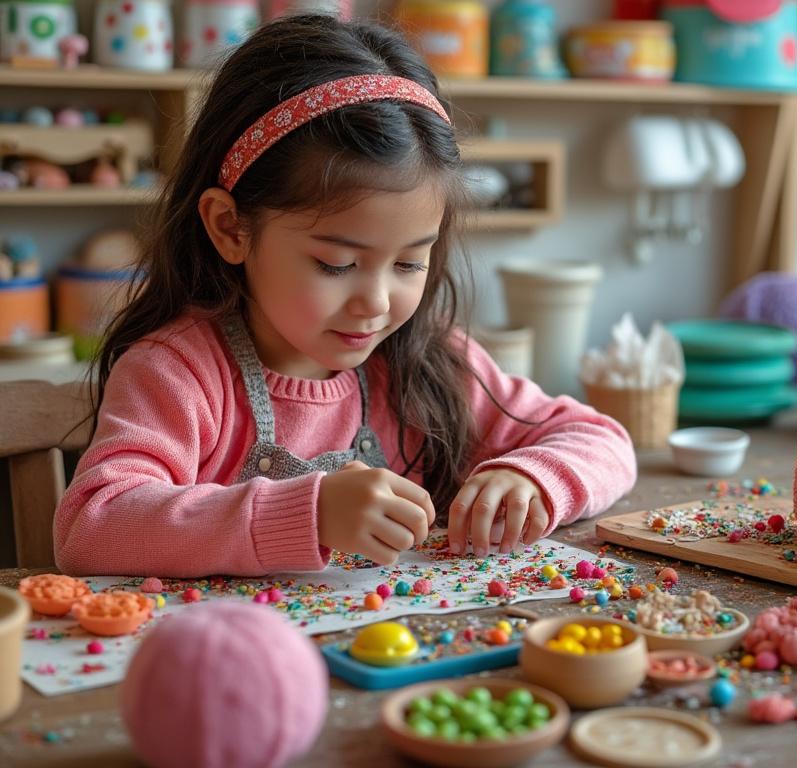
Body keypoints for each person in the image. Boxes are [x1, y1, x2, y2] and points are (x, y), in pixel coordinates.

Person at [53, 14, 636, 578]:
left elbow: (602, 440)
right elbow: (91, 525)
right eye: (337, 264)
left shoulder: (429, 362)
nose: (375, 303)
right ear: (231, 228)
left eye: (408, 263)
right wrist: (308, 514)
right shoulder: (178, 373)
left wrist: (532, 477)